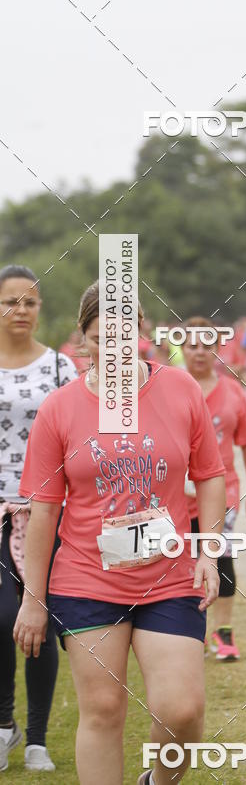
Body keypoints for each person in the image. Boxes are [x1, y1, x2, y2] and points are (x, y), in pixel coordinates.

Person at [13, 282, 226, 785]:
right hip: (86, 578)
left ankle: (157, 780)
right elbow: (43, 514)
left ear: (144, 334)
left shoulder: (180, 389)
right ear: (82, 343)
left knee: (182, 711)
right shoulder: (58, 409)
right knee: (104, 708)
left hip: (170, 576)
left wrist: (210, 551)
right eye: (99, 337)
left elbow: (211, 475)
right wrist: (33, 599)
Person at [0, 265, 78, 773]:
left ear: (40, 308)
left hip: (44, 510)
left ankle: (38, 739)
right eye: (9, 302)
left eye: (29, 302)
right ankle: (5, 725)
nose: (19, 311)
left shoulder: (60, 368)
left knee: (36, 621)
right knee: (2, 617)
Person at [182, 317, 246, 661]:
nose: (200, 353)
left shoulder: (232, 391)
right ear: (181, 349)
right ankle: (190, 630)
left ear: (217, 349)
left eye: (207, 346)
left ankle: (223, 632)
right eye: (192, 345)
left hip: (223, 491)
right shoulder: (168, 385)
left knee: (219, 555)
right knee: (183, 560)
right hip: (176, 492)